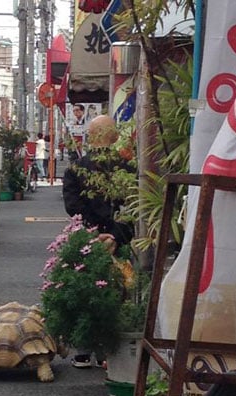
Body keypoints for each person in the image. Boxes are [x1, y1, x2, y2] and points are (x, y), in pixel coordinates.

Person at [62, 114, 134, 369]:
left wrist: (94, 232)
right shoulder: (128, 169)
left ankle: (83, 351)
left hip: (88, 239)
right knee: (119, 293)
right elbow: (131, 209)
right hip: (120, 239)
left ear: (90, 137)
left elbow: (74, 208)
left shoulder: (75, 170)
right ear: (115, 137)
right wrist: (114, 234)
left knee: (85, 290)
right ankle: (109, 352)